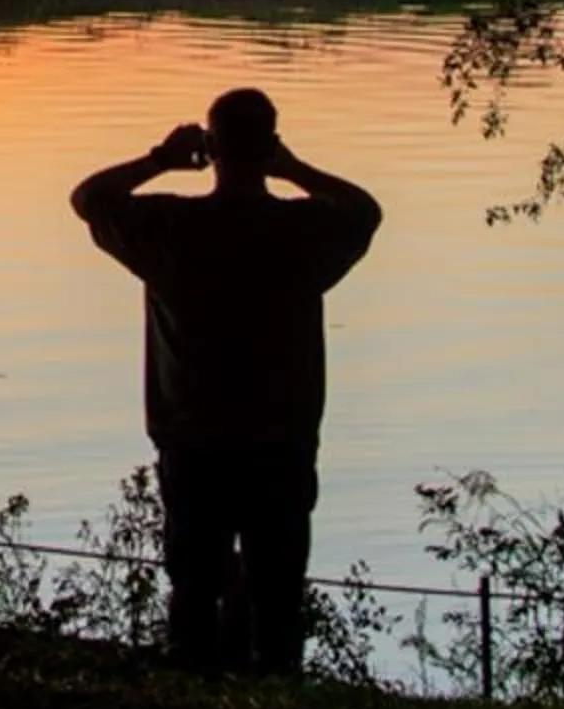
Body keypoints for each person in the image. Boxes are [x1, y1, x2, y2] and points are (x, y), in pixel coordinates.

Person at [70, 88, 380, 675]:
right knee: (278, 593)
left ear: (211, 148)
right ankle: (276, 692)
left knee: (194, 587)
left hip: (194, 440)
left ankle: (195, 687)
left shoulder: (171, 229)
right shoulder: (302, 231)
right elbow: (365, 210)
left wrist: (161, 159)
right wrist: (294, 170)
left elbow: (89, 198)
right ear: (270, 146)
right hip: (280, 440)